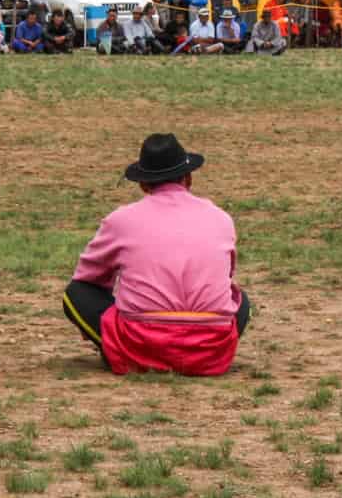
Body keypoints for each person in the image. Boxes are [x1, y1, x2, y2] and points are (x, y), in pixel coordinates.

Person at [63, 134, 249, 377]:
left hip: (141, 345)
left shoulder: (121, 220)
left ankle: (116, 350)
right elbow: (225, 279)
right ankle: (197, 358)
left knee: (76, 293)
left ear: (142, 184)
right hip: (209, 350)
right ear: (189, 178)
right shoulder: (221, 218)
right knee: (240, 299)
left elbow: (89, 279)